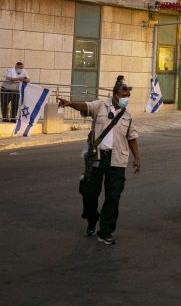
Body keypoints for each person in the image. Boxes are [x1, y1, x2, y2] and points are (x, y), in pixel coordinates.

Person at [57, 75, 141, 245]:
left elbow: (132, 137)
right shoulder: (100, 105)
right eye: (124, 96)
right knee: (89, 192)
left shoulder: (128, 115)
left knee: (113, 196)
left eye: (128, 97)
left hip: (117, 159)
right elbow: (86, 106)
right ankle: (92, 219)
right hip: (97, 157)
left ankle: (106, 231)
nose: (126, 99)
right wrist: (70, 103)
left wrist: (137, 158)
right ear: (115, 94)